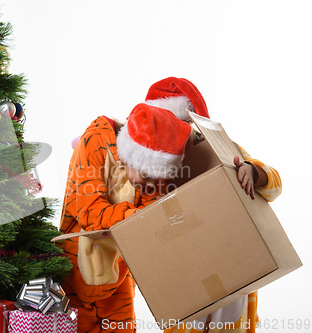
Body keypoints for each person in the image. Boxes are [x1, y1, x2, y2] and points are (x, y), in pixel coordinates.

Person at [58, 77, 282, 333]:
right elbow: (125, 217)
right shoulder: (147, 163)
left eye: (178, 130)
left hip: (230, 259)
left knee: (230, 323)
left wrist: (255, 172)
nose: (173, 136)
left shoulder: (213, 150)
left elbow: (273, 181)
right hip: (180, 269)